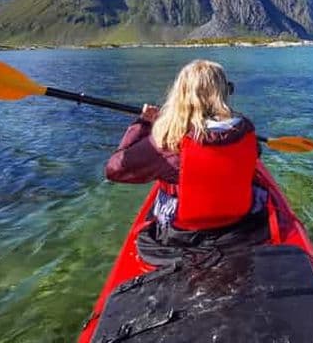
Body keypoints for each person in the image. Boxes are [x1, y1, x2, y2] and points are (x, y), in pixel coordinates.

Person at [105, 60, 267, 261]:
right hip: (240, 225)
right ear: (223, 93)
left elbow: (114, 169)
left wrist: (143, 124)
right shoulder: (246, 130)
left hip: (184, 236)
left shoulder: (168, 142)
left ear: (180, 96)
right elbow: (254, 153)